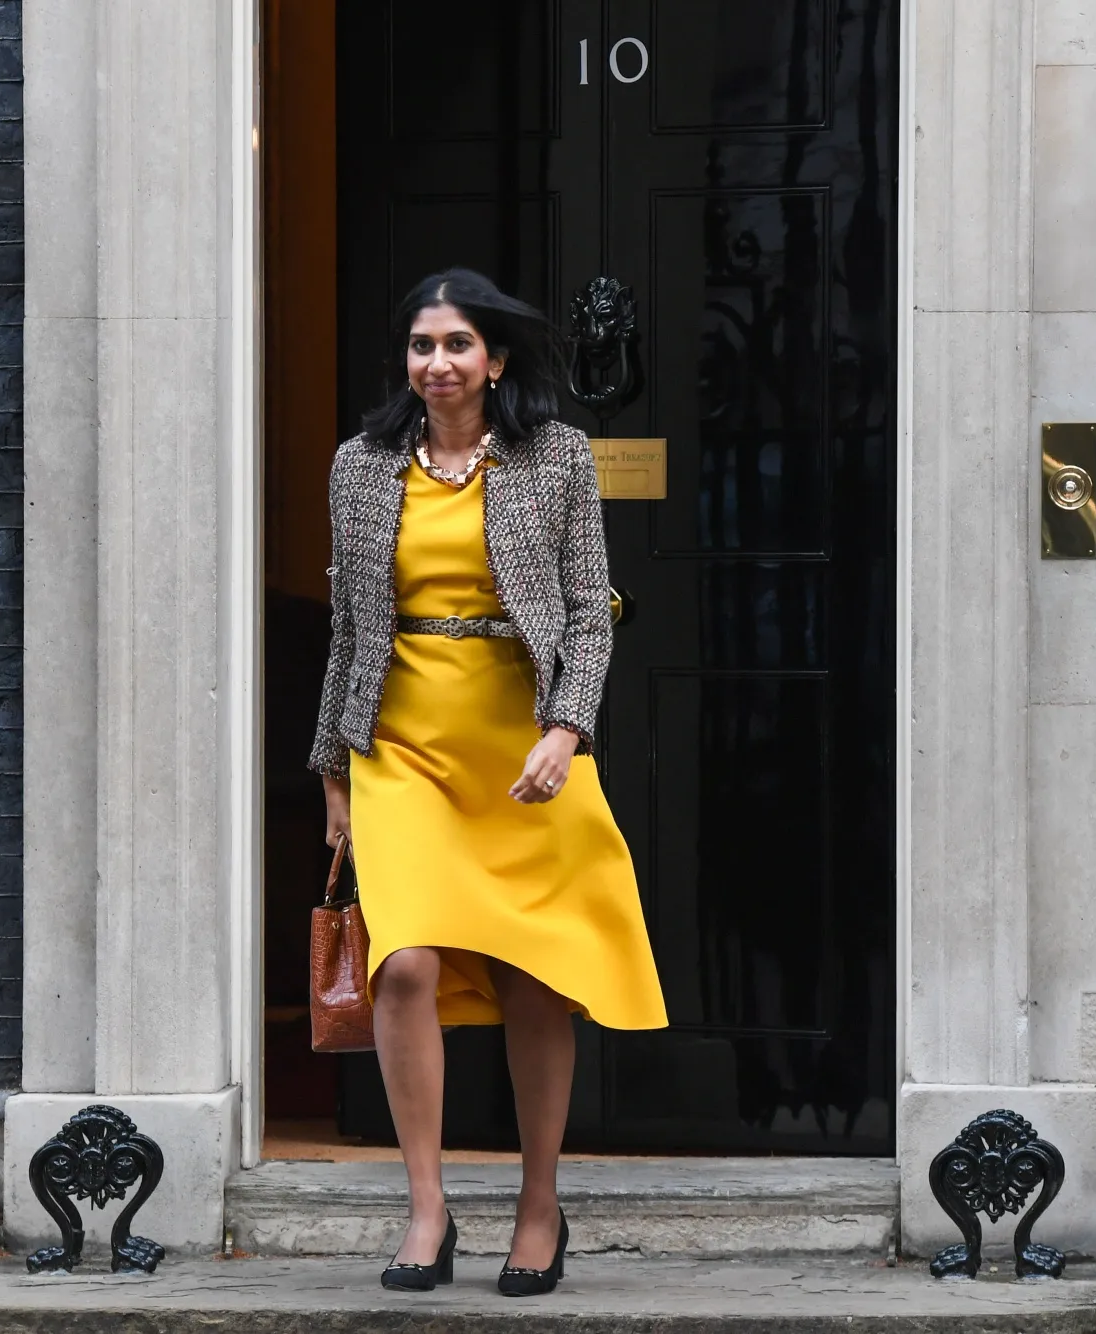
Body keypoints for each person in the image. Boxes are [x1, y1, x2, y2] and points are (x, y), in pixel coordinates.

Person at [310, 268, 668, 1296]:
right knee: (403, 964)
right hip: (401, 745)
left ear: (495, 359)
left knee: (533, 974)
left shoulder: (554, 457)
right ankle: (426, 1207)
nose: (437, 362)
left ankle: (538, 1203)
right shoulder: (360, 466)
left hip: (521, 746)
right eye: (421, 345)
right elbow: (347, 629)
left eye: (457, 344)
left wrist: (567, 727)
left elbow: (588, 614)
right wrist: (333, 771)